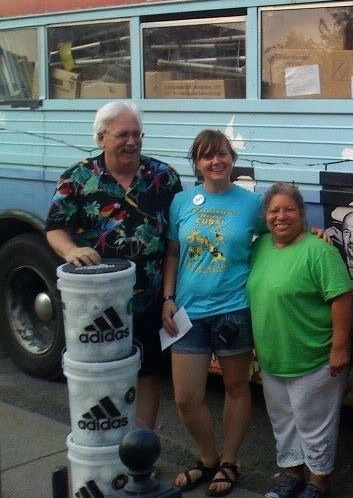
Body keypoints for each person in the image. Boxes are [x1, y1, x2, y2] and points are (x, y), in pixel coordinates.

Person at [45, 100, 181, 429]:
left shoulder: (163, 177)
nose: (131, 142)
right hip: (98, 304)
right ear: (102, 137)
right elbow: (55, 228)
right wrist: (70, 250)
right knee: (103, 375)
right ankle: (107, 442)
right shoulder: (77, 178)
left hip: (148, 299)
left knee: (148, 373)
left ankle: (142, 449)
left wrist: (168, 297)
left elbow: (174, 243)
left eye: (137, 134)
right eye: (122, 135)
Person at [162, 129, 263, 496]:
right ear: (198, 164)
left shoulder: (253, 203)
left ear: (232, 159)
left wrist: (311, 235)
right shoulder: (182, 202)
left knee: (237, 388)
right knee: (186, 397)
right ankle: (207, 457)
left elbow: (280, 234)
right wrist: (167, 297)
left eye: (222, 154)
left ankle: (230, 461)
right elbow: (173, 252)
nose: (217, 161)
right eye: (208, 156)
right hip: (187, 311)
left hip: (234, 310)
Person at [247, 182, 353, 498]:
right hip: (273, 356)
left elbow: (341, 297)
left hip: (314, 358)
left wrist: (339, 346)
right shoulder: (260, 247)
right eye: (274, 210)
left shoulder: (319, 251)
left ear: (302, 214)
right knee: (283, 423)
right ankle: (291, 475)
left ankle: (318, 482)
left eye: (289, 209)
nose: (281, 216)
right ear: (265, 216)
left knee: (314, 425)